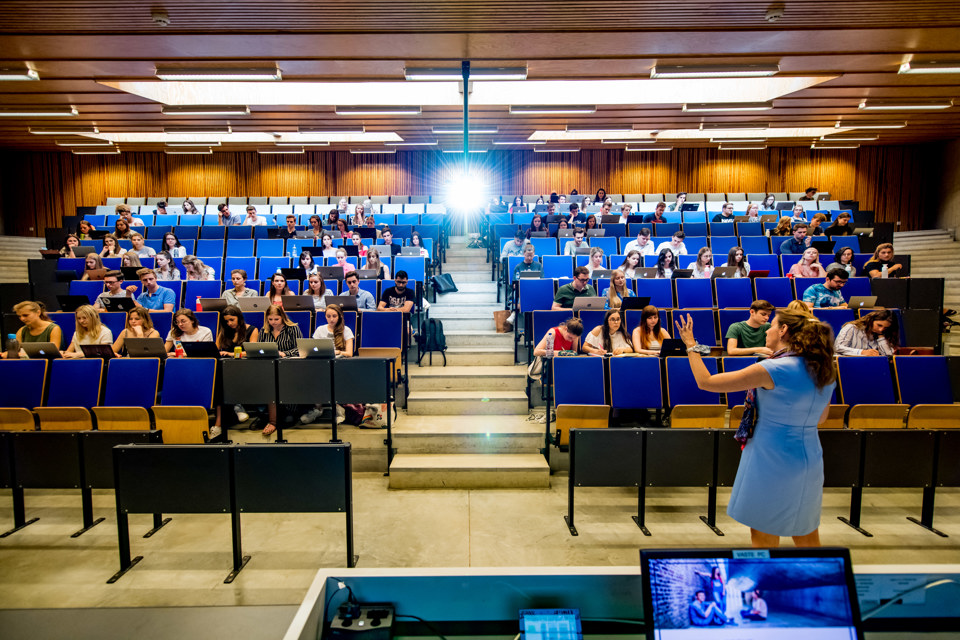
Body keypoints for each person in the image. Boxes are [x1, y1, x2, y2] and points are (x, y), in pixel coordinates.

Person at [676, 307, 837, 547]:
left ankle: (767, 572)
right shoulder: (824, 368)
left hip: (771, 455)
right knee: (805, 532)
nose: (767, 330)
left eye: (772, 325)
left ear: (783, 330)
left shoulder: (773, 368)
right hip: (809, 455)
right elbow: (821, 418)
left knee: (763, 533)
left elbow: (706, 382)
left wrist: (691, 345)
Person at [260, 304, 303, 436]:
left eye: (276, 319)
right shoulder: (264, 330)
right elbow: (259, 348)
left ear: (282, 317)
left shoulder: (292, 328)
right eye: (270, 319)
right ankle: (272, 418)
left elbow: (300, 349)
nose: (273, 322)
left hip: (289, 366)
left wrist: (284, 353)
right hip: (269, 366)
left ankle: (284, 413)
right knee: (268, 380)